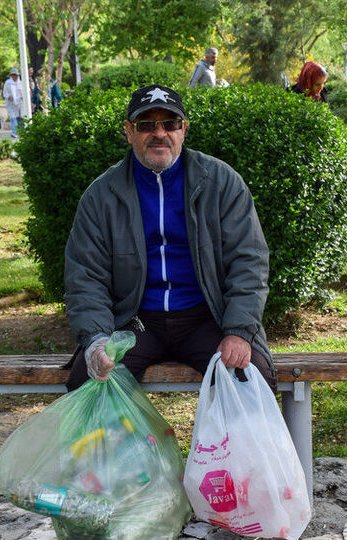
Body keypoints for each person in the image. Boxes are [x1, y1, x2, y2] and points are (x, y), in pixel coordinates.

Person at [64, 84, 276, 393]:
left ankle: (232, 445)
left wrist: (239, 332)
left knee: (252, 380)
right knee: (89, 382)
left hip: (207, 319)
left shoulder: (221, 182)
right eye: (146, 125)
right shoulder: (101, 195)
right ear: (128, 131)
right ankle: (123, 443)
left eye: (170, 123)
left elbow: (250, 261)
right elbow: (84, 275)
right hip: (135, 323)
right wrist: (96, 339)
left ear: (184, 129)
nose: (159, 133)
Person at [2, 68, 25, 138]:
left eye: (15, 75)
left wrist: (22, 96)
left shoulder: (21, 83)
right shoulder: (8, 83)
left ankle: (21, 132)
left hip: (20, 103)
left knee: (20, 118)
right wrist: (9, 96)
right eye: (13, 75)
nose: (14, 76)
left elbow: (24, 92)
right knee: (13, 118)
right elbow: (4, 92)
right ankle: (14, 132)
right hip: (11, 103)